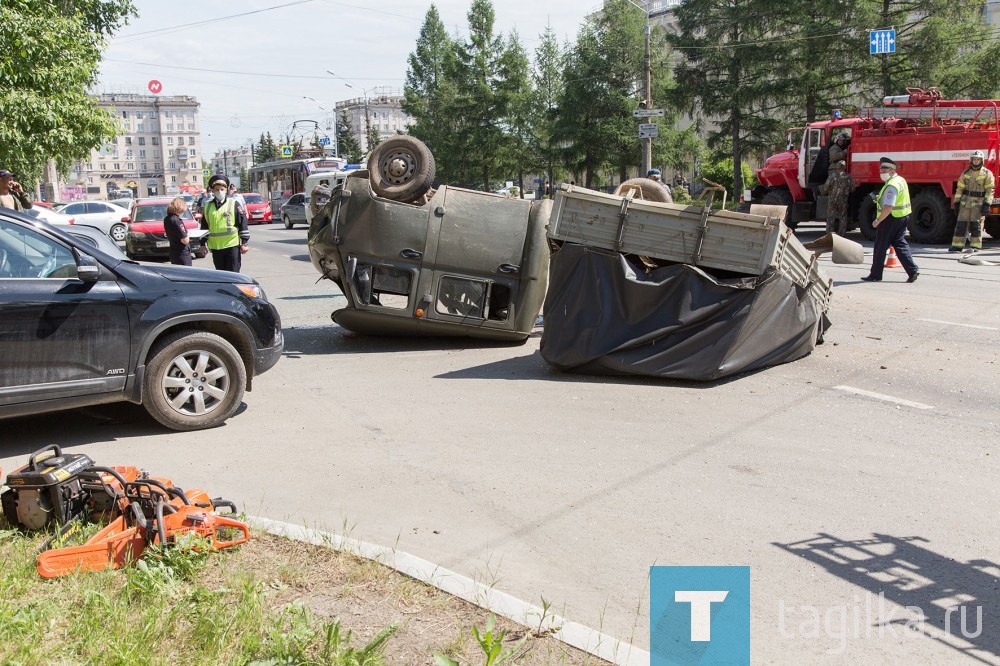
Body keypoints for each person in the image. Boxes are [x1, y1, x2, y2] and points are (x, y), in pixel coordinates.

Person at [862, 157, 919, 283]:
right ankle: (912, 270)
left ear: (892, 171)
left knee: (880, 246)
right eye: (881, 169)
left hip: (890, 218)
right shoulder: (900, 180)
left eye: (885, 169)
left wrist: (878, 220)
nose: (881, 171)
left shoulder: (891, 185)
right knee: (899, 244)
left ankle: (875, 275)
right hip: (902, 217)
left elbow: (889, 206)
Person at [202, 174, 249, 272]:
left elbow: (242, 223)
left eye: (222, 189)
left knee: (233, 274)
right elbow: (204, 226)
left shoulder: (234, 204)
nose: (219, 191)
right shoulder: (208, 206)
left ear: (226, 190)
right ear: (213, 191)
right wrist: (202, 244)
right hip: (216, 248)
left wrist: (244, 243)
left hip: (231, 246)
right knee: (221, 276)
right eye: (217, 189)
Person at [950, 149, 994, 253]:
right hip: (965, 203)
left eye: (978, 159)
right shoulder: (965, 173)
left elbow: (990, 190)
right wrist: (956, 202)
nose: (976, 161)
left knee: (976, 225)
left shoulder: (987, 174)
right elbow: (959, 188)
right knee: (961, 225)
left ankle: (975, 246)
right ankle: (957, 246)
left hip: (979, 203)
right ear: (971, 160)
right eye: (974, 159)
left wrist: (987, 204)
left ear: (981, 160)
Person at [819, 160, 855, 235]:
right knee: (843, 217)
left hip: (832, 199)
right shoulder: (848, 177)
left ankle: (830, 234)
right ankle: (842, 234)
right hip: (843, 200)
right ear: (844, 167)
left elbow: (826, 187)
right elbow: (852, 189)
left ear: (837, 167)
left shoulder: (832, 176)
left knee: (830, 217)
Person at [163, 197, 192, 266]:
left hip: (174, 251)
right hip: (182, 253)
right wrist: (189, 234)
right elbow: (185, 240)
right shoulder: (177, 221)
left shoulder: (167, 219)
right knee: (187, 274)